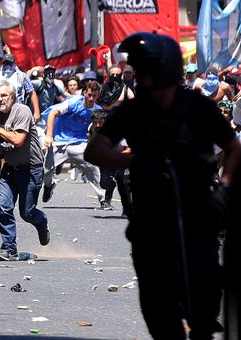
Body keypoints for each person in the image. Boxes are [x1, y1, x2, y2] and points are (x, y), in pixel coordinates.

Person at [84, 32, 241, 340]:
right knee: (159, 312)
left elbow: (234, 148)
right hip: (151, 220)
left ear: (164, 71)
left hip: (198, 215)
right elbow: (95, 150)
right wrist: (136, 160)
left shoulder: (199, 108)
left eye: (144, 71)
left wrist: (224, 188)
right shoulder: (132, 111)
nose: (138, 78)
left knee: (206, 298)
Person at [0, 80, 49, 261]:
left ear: (13, 97)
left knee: (27, 213)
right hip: (9, 169)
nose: (0, 99)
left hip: (31, 169)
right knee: (3, 208)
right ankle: (9, 249)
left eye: (4, 95)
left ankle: (41, 222)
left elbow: (18, 140)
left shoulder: (22, 111)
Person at [42, 80, 107, 208]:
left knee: (93, 169)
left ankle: (103, 199)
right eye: (89, 95)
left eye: (94, 96)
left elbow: (98, 128)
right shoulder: (73, 103)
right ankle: (49, 185)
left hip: (79, 143)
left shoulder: (97, 110)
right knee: (45, 172)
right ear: (84, 93)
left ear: (98, 95)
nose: (91, 98)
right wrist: (49, 136)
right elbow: (53, 113)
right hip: (60, 141)